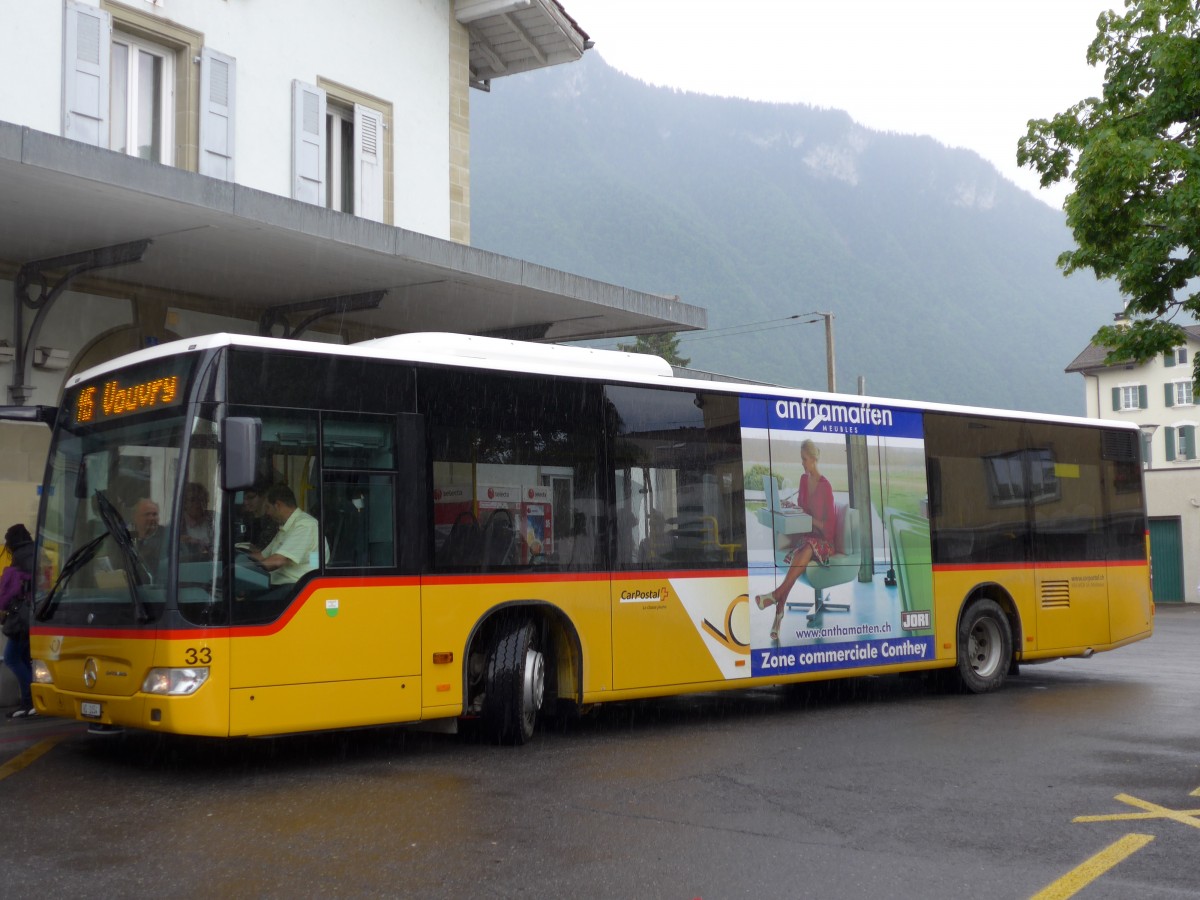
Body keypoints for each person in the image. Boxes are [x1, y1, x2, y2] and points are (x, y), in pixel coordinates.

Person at [755, 439, 837, 641]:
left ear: (814, 459)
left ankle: (775, 601)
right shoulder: (802, 479)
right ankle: (777, 606)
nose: (802, 463)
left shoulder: (826, 487)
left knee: (808, 547)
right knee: (800, 556)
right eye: (801, 459)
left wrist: (810, 520)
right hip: (807, 537)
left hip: (824, 542)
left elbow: (829, 526)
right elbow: (803, 507)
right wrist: (790, 506)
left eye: (804, 459)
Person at [248, 484, 319, 585]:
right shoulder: (286, 528)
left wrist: (247, 571)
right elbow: (262, 556)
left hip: (296, 587)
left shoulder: (306, 525)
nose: (267, 513)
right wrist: (236, 561)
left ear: (278, 505)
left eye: (268, 507)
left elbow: (277, 561)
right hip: (277, 583)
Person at [1, 523, 36, 718]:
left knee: (11, 658)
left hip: (19, 621)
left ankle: (29, 701)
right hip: (38, 617)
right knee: (25, 659)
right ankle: (32, 703)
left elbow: (3, 597)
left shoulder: (16, 564)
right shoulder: (38, 555)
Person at [237, 482, 278, 549]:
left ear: (263, 496)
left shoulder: (273, 520)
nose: (246, 502)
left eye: (250, 497)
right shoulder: (244, 517)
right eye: (244, 499)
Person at [179, 482, 215, 560]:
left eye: (202, 499)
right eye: (193, 500)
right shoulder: (177, 524)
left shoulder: (214, 518)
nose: (198, 503)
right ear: (185, 503)